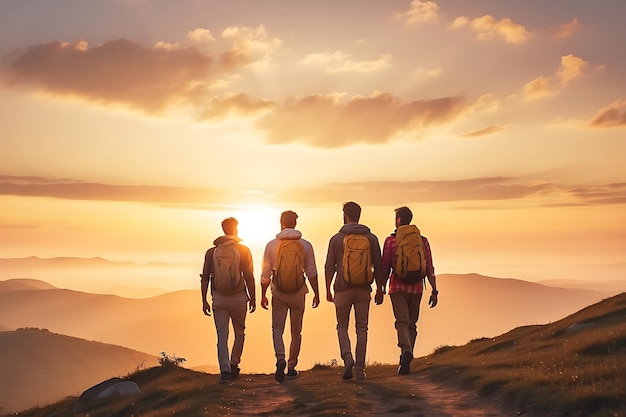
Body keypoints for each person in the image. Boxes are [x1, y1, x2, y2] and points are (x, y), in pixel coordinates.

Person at [325, 201, 383, 380]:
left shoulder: (336, 239)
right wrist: (380, 288)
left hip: (342, 289)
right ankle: (360, 369)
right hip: (363, 289)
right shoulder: (371, 238)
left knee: (342, 326)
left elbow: (329, 266)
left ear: (345, 215)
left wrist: (327, 289)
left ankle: (347, 357)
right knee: (362, 328)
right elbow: (379, 266)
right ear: (359, 215)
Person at [260, 210, 320, 382]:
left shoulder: (272, 245)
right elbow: (311, 271)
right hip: (299, 292)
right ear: (296, 223)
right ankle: (291, 366)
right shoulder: (305, 244)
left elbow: (265, 274)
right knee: (296, 331)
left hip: (278, 292)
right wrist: (317, 292)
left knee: (277, 329)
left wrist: (263, 294)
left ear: (281, 222)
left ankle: (280, 358)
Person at [378, 206, 438, 375]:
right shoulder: (422, 240)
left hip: (397, 287)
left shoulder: (391, 240)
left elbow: (385, 266)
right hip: (417, 287)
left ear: (398, 220)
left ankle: (406, 351)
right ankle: (408, 353)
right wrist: (434, 290)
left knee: (401, 322)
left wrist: (381, 288)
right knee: (412, 324)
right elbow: (429, 266)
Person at [201, 217, 256, 384]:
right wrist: (253, 298)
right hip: (239, 298)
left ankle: (224, 371)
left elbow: (205, 278)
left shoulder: (211, 252)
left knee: (222, 336)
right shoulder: (244, 250)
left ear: (223, 229)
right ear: (236, 229)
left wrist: (204, 300)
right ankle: (234, 364)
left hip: (218, 298)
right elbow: (249, 277)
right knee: (240, 333)